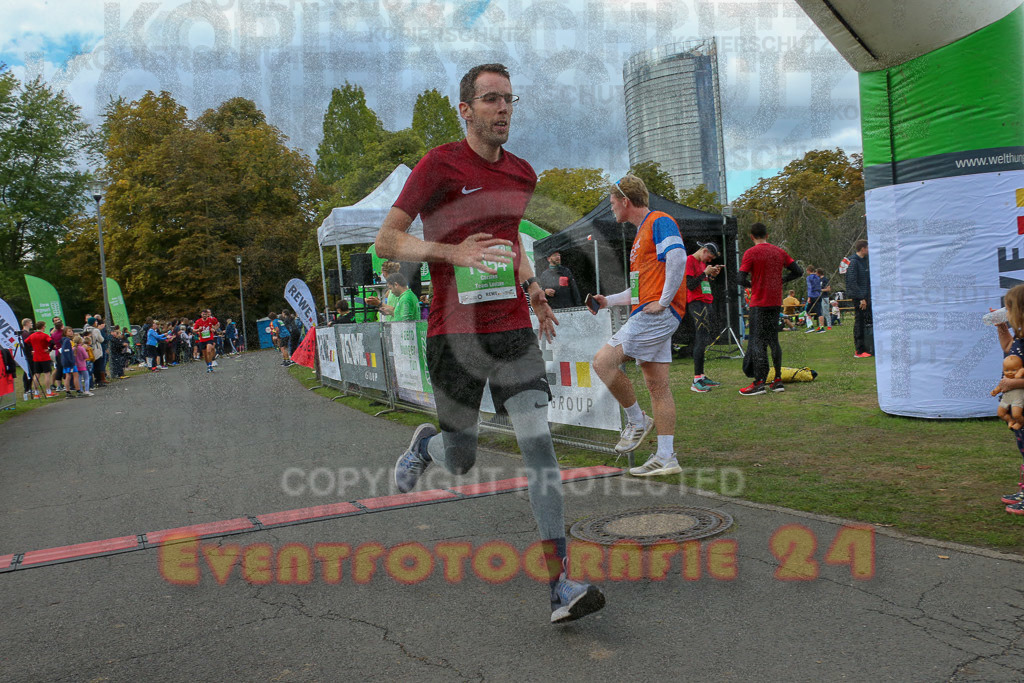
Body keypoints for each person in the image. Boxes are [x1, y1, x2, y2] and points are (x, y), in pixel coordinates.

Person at [374, 62, 604, 624]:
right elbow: (387, 241)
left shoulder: (523, 174)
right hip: (453, 332)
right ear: (466, 109)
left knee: (538, 448)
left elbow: (511, 244)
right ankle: (426, 445)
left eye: (509, 100)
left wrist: (534, 290)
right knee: (460, 459)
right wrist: (453, 254)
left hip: (510, 329)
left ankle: (561, 585)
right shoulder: (438, 165)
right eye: (491, 100)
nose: (502, 109)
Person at [589, 174, 687, 477]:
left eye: (612, 203)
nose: (612, 209)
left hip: (655, 313)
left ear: (625, 201)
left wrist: (665, 300)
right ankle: (666, 456)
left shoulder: (660, 220)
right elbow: (640, 287)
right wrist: (610, 301)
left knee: (603, 362)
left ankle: (636, 419)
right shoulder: (641, 233)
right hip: (652, 309)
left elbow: (679, 258)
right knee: (658, 386)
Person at [738, 222, 803, 395]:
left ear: (751, 236)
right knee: (773, 340)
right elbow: (798, 271)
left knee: (758, 341)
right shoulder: (779, 252)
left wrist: (751, 284)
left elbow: (739, 277)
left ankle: (759, 382)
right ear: (767, 235)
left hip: (759, 303)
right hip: (775, 302)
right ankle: (778, 380)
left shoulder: (750, 253)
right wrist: (782, 280)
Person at [992, 283, 1024, 514]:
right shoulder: (1020, 335)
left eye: (1008, 309)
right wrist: (1001, 327)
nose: (1007, 312)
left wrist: (1014, 383)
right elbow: (1008, 349)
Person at [684, 241, 724, 392]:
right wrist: (705, 273)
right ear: (704, 250)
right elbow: (690, 285)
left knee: (704, 339)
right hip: (697, 304)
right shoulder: (689, 260)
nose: (710, 261)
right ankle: (696, 380)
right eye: (710, 257)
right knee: (700, 339)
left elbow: (701, 283)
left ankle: (701, 376)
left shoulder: (701, 264)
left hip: (706, 303)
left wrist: (711, 275)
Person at [847, 239, 873, 358]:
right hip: (859, 298)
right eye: (868, 248)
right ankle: (859, 350)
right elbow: (852, 282)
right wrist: (861, 298)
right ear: (863, 248)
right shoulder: (853, 262)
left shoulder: (865, 261)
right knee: (859, 323)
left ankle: (867, 347)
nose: (869, 250)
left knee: (866, 322)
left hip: (867, 297)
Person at [25, 321, 55, 398]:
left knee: (36, 374)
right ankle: (48, 391)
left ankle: (36, 393)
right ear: (42, 327)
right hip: (44, 356)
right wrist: (49, 349)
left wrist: (31, 349)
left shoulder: (32, 335)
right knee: (47, 374)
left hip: (36, 357)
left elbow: (25, 342)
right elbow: (52, 342)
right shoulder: (45, 335)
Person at [804, 266, 825, 334]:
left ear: (808, 270)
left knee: (807, 311)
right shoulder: (817, 277)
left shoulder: (809, 278)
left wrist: (809, 297)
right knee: (819, 312)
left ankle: (810, 327)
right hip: (818, 296)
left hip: (812, 296)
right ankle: (822, 327)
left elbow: (810, 287)